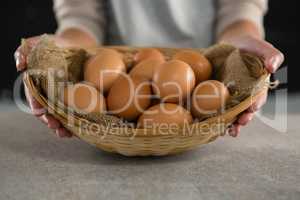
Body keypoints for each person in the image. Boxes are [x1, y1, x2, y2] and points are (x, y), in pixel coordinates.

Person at [14, 0, 284, 138]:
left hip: (207, 72)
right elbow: (81, 23)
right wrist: (56, 50)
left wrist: (239, 51)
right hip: (116, 81)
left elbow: (239, 15)